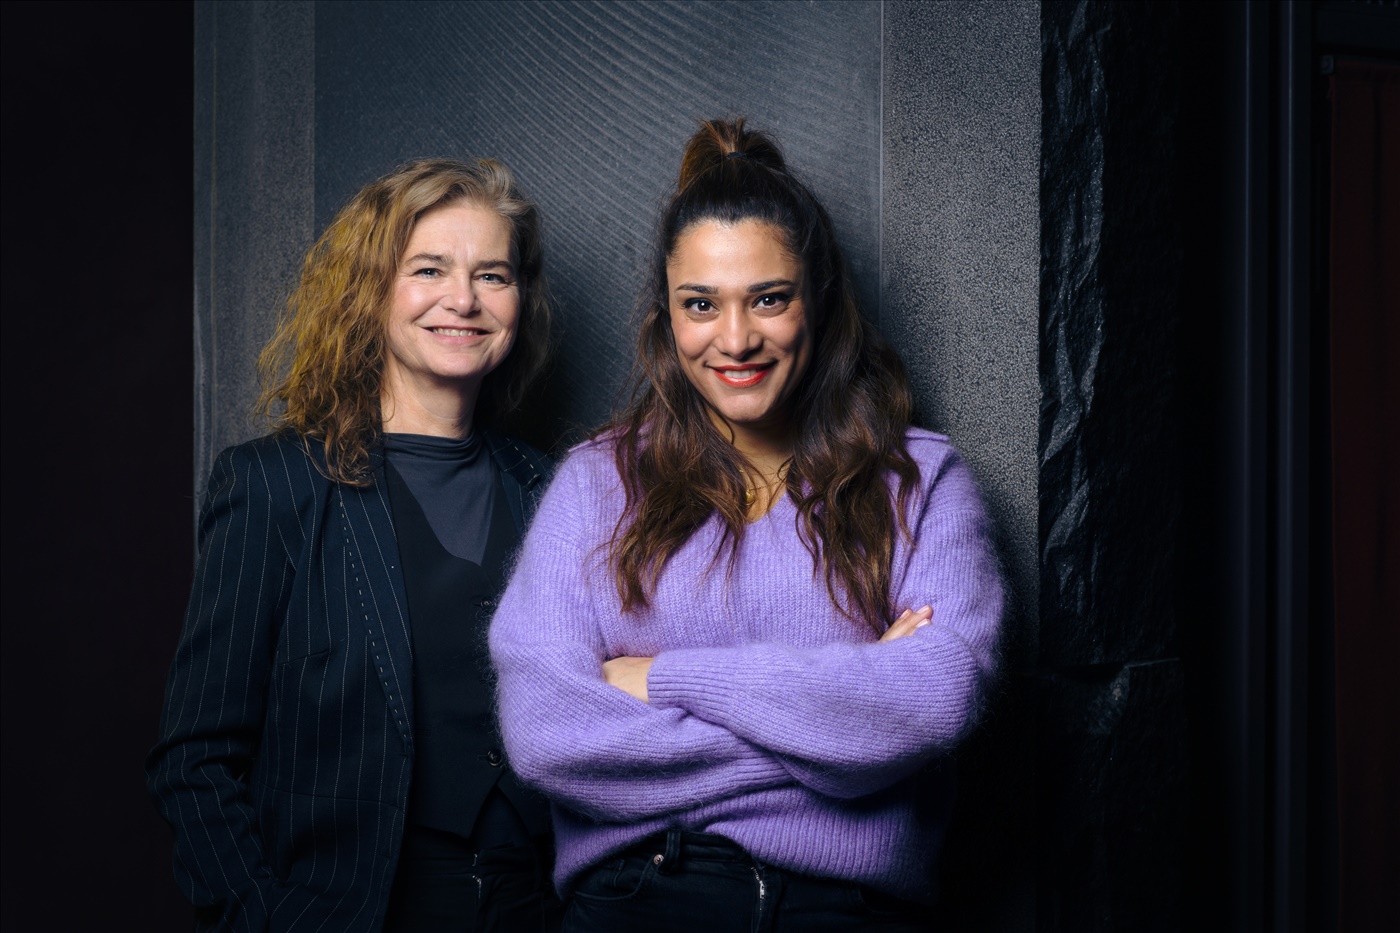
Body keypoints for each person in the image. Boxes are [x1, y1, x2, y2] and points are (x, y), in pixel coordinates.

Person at [489, 119, 1005, 932]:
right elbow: (546, 732)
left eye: (769, 298)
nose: (735, 339)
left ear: (817, 298)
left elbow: (935, 698)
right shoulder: (595, 484)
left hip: (847, 914)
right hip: (641, 902)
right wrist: (845, 738)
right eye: (701, 304)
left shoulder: (918, 480)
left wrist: (665, 679)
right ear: (667, 315)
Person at [147, 158, 561, 933]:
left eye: (493, 275)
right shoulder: (274, 486)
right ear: (370, 291)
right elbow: (194, 758)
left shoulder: (557, 490)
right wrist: (268, 919)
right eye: (429, 269)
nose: (464, 299)